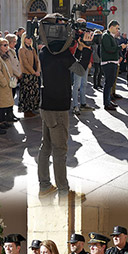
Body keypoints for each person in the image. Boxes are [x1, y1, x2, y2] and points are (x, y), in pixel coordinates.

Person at [37, 14, 91, 193]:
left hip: (46, 104)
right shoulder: (61, 55)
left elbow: (69, 60)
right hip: (58, 108)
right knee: (60, 150)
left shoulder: (45, 51)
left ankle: (44, 184)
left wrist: (78, 47)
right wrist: (87, 48)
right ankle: (63, 189)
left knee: (46, 147)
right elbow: (80, 69)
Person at [17, 32, 40, 117]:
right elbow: (25, 63)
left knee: (34, 92)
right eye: (27, 38)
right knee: (27, 93)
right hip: (27, 74)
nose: (29, 40)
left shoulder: (33, 49)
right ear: (23, 39)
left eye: (30, 38)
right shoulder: (22, 49)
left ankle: (32, 108)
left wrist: (38, 70)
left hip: (34, 74)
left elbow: (37, 61)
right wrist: (34, 72)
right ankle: (26, 110)